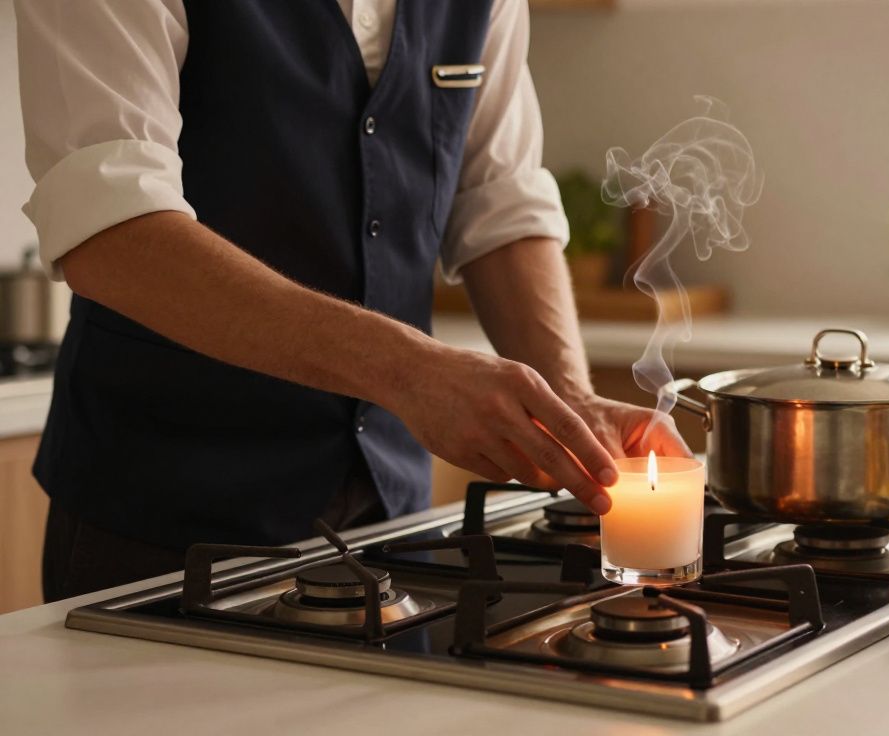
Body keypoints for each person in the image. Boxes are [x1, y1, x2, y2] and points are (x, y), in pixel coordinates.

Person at [16, 0, 689, 602]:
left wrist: (570, 399)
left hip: (390, 525)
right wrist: (412, 371)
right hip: (160, 523)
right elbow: (111, 228)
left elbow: (498, 200)